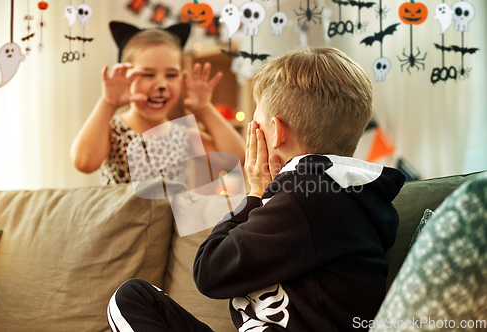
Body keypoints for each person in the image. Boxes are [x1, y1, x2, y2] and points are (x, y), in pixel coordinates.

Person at [107, 47, 406, 332]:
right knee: (136, 296)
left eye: (257, 119)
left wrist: (255, 192)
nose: (254, 125)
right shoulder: (340, 192)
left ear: (276, 131)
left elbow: (210, 271)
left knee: (126, 301)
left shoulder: (306, 196)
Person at [70, 23, 245, 185]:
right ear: (125, 75)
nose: (161, 85)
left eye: (171, 75)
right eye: (147, 74)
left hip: (169, 219)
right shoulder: (112, 130)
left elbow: (237, 158)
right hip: (120, 218)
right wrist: (107, 103)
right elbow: (84, 162)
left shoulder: (184, 135)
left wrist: (204, 109)